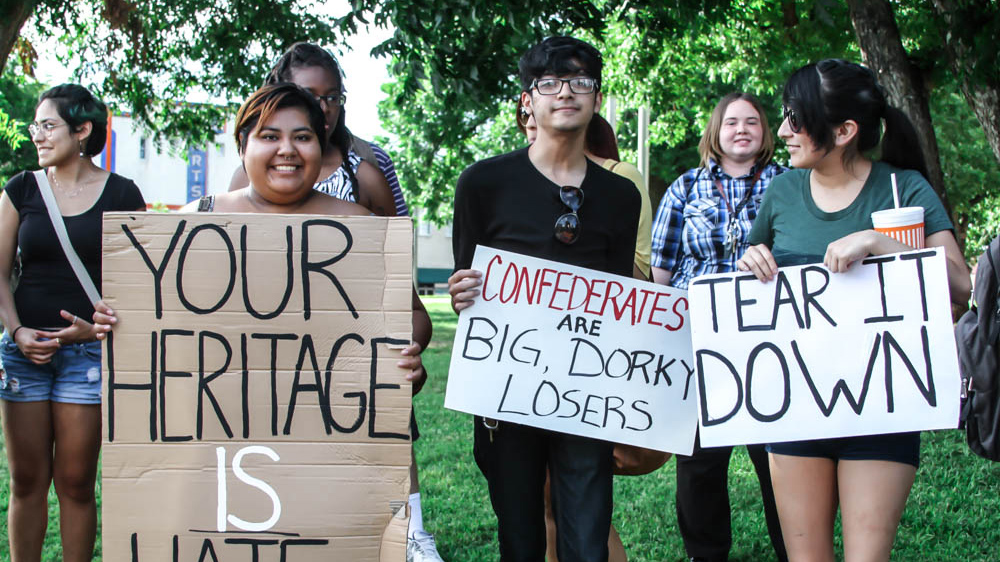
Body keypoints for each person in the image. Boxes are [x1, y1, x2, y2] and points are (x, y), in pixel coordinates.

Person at [737, 59, 970, 561]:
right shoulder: (780, 193)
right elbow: (757, 289)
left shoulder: (902, 188)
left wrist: (881, 243)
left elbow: (961, 286)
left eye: (796, 120)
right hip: (796, 408)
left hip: (882, 407)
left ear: (844, 131)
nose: (782, 131)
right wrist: (750, 263)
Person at [449, 36, 640, 562]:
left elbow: (619, 296)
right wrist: (463, 292)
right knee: (522, 533)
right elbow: (471, 279)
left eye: (580, 82)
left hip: (586, 389)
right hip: (506, 390)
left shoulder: (622, 196)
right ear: (528, 100)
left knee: (588, 528)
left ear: (596, 97)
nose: (566, 93)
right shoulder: (483, 183)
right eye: (550, 83)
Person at [0, 84, 146, 562]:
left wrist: (94, 329)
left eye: (48, 125)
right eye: (34, 126)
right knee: (26, 481)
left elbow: (140, 284)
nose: (36, 135)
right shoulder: (21, 189)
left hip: (87, 356)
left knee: (78, 482)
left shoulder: (123, 194)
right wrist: (17, 331)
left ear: (82, 130)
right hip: (23, 354)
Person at [517, 104, 659, 562]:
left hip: (596, 351)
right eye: (525, 120)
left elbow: (638, 270)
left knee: (579, 494)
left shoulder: (620, 179)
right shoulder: (515, 180)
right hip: (531, 355)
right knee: (543, 492)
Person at [650, 92, 787, 562]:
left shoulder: (791, 184)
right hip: (699, 341)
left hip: (770, 339)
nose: (742, 129)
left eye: (752, 121)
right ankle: (704, 554)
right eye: (731, 122)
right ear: (716, 131)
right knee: (700, 461)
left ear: (766, 133)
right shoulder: (684, 189)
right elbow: (662, 274)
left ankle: (797, 547)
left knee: (777, 457)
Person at [228, 42, 399, 217]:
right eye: (309, 95)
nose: (323, 107)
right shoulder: (245, 177)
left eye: (332, 97)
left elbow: (397, 237)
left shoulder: (369, 169)